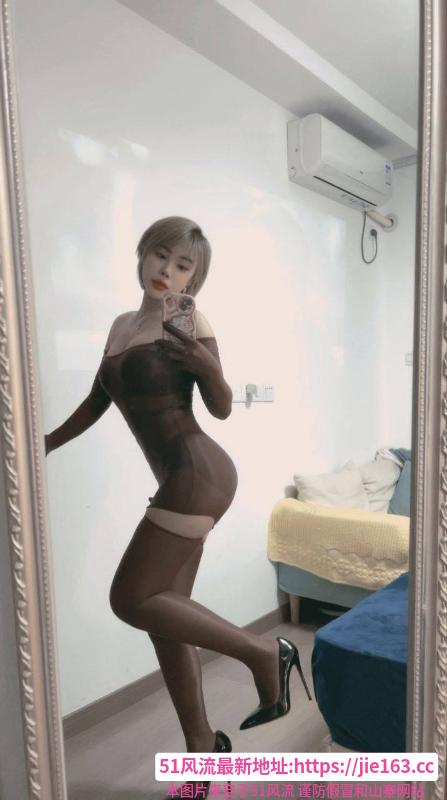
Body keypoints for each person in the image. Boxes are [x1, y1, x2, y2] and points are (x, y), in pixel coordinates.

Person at [45, 216, 311, 796]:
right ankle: (203, 752)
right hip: (175, 480)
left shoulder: (190, 322)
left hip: (199, 474)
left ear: (195, 278)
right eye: (160, 256)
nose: (167, 271)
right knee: (165, 621)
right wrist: (40, 446)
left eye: (183, 265)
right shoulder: (121, 326)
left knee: (129, 598)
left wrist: (206, 364)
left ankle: (265, 653)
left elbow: (221, 406)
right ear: (142, 254)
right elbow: (97, 400)